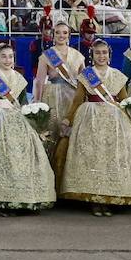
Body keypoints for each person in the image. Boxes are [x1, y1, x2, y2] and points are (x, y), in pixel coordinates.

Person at [57, 39, 131, 216]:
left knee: (113, 158)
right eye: (97, 53)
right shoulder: (86, 75)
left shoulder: (117, 75)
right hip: (89, 119)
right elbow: (78, 100)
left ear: (109, 55)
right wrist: (67, 120)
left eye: (104, 53)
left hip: (115, 120)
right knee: (92, 158)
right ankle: (94, 199)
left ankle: (111, 197)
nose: (101, 56)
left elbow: (124, 100)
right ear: (92, 56)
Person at [0, 43, 56, 214]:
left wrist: (34, 120)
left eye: (10, 56)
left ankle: (24, 197)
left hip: (17, 118)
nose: (8, 60)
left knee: (23, 154)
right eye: (4, 56)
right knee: (2, 155)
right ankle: (2, 199)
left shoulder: (19, 79)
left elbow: (23, 103)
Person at [33, 21, 84, 171]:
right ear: (53, 35)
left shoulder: (78, 56)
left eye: (64, 33)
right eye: (58, 33)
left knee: (71, 131)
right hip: (52, 95)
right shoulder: (46, 55)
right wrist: (37, 102)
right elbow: (40, 81)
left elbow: (84, 81)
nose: (61, 35)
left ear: (69, 35)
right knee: (52, 131)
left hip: (73, 96)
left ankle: (70, 170)